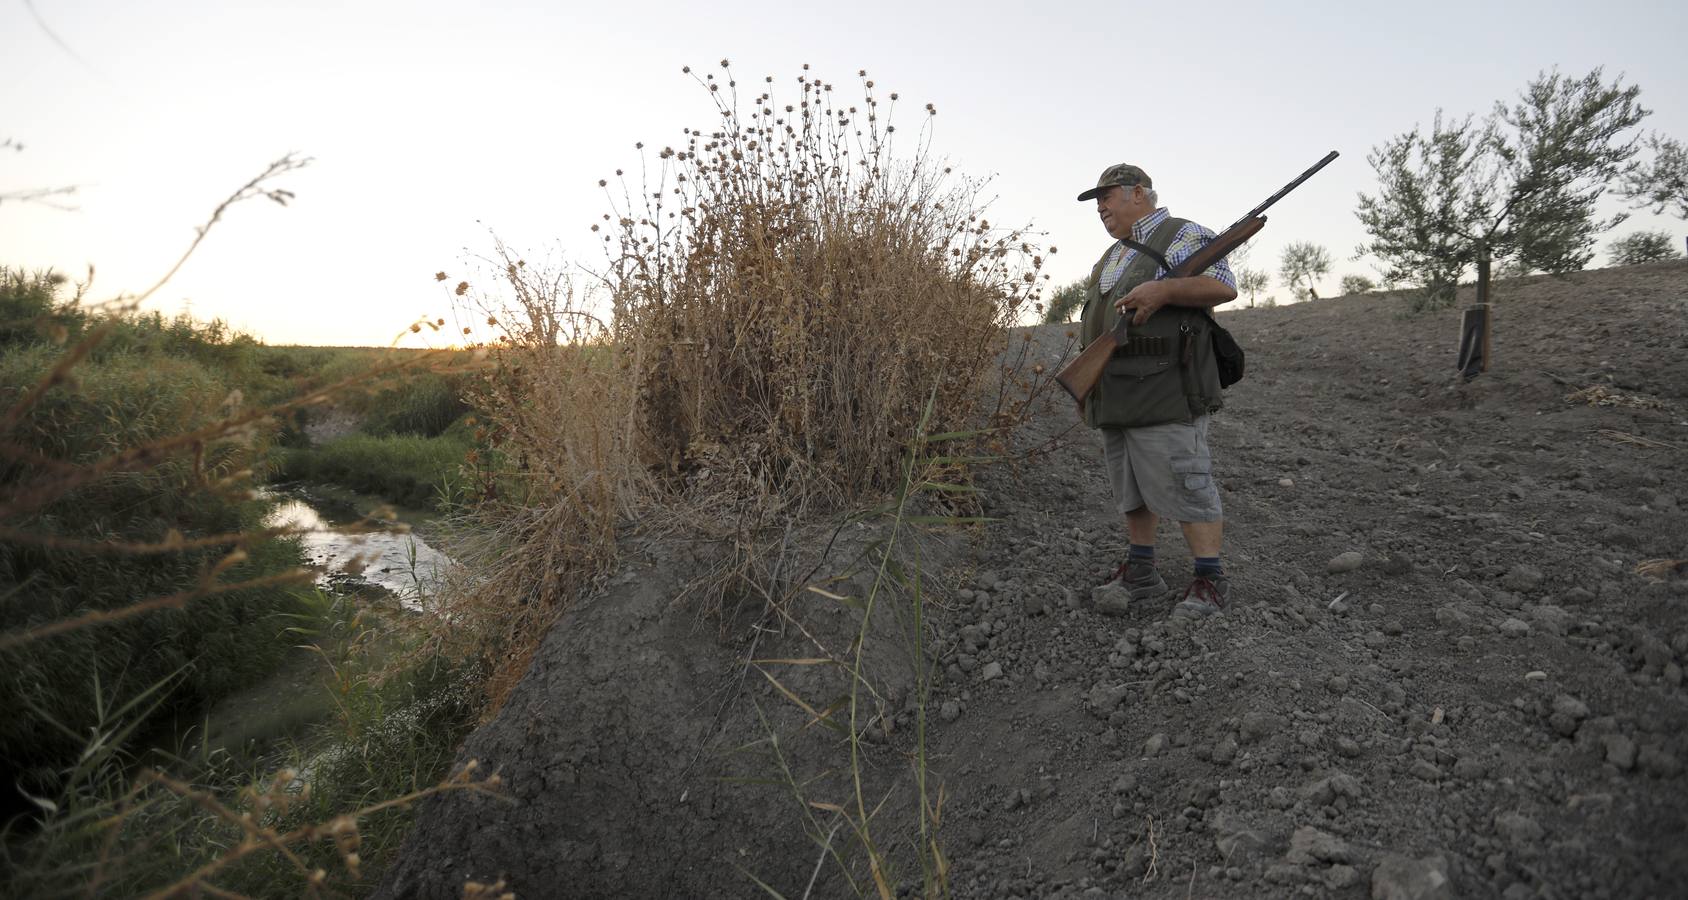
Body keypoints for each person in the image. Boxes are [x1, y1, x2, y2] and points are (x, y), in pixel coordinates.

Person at [1075, 163, 1237, 618]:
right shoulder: (1110, 258)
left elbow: (1222, 285)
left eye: (1107, 196)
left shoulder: (1183, 234)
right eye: (1098, 201)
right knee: (1132, 487)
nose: (1101, 207)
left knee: (1188, 482)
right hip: (1116, 393)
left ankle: (1210, 579)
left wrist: (1164, 293)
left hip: (1165, 388)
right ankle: (1142, 569)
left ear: (1139, 194)